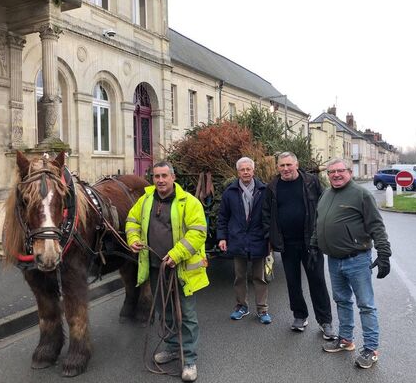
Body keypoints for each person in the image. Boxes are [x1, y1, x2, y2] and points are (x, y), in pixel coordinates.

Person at [126, 161, 208, 382]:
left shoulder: (188, 202)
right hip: (155, 267)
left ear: (173, 177)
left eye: (164, 176)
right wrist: (133, 239)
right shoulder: (145, 200)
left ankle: (189, 359)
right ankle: (173, 348)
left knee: (187, 315)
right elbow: (132, 220)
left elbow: (198, 232)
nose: (160, 180)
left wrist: (176, 254)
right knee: (165, 310)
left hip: (181, 269)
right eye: (156, 176)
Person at [310, 158, 391, 369]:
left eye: (340, 171)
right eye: (331, 172)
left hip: (357, 259)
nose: (335, 175)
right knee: (342, 301)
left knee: (365, 304)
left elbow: (376, 226)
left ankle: (371, 349)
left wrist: (384, 253)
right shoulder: (326, 194)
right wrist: (313, 245)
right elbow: (319, 222)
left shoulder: (361, 194)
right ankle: (346, 340)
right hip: (334, 260)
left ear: (349, 172)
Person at [261, 152, 334, 338]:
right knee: (293, 283)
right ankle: (300, 316)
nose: (285, 169)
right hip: (287, 244)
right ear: (277, 167)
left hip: (311, 242)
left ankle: (325, 321)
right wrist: (271, 237)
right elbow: (266, 214)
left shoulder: (311, 182)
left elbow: (323, 207)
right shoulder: (273, 187)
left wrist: (321, 234)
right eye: (281, 166)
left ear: (296, 164)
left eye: (288, 165)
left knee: (317, 281)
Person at [217, 157, 271, 324]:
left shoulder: (264, 190)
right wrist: (222, 237)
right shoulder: (230, 192)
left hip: (258, 238)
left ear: (253, 171)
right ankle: (241, 306)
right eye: (242, 170)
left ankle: (262, 309)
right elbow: (223, 217)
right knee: (239, 276)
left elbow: (270, 217)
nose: (246, 172)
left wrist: (271, 238)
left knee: (259, 277)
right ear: (238, 172)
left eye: (248, 169)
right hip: (237, 239)